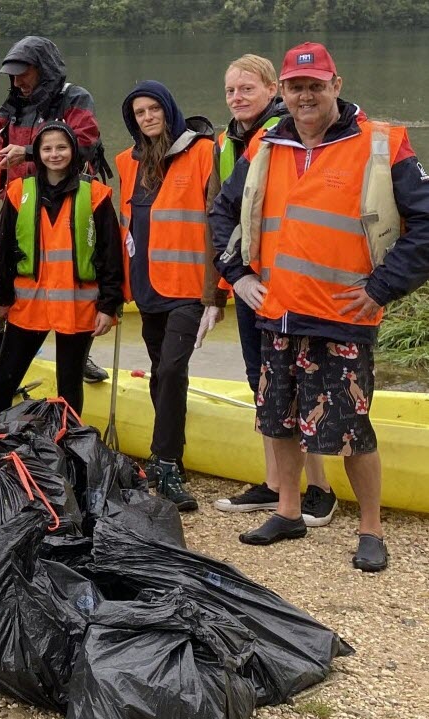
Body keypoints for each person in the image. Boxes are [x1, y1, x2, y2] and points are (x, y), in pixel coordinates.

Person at [209, 42, 429, 572]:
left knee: (353, 430)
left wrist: (381, 289)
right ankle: (287, 511)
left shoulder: (382, 143)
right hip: (278, 312)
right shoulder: (266, 143)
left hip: (344, 316)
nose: (305, 95)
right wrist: (236, 276)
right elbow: (223, 211)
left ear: (336, 84)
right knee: (278, 421)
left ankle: (371, 528)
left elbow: (424, 225)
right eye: (295, 86)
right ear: (282, 91)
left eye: (315, 85)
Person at [208, 54, 336, 525]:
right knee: (262, 383)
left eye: (247, 89)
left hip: (294, 286)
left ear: (272, 92)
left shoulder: (288, 132)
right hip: (252, 285)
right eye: (229, 91)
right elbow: (223, 214)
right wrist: (228, 282)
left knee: (301, 385)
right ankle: (276, 484)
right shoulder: (234, 141)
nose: (236, 98)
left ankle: (319, 487)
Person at [0, 36, 110, 386]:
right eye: (13, 75)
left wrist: (29, 152)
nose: (18, 81)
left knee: (79, 271)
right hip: (19, 203)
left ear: (44, 69)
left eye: (24, 73)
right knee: (1, 264)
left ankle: (79, 355)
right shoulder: (13, 105)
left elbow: (84, 143)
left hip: (70, 202)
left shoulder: (74, 98)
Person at [115, 80, 225, 512]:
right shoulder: (127, 161)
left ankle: (165, 462)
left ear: (168, 109)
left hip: (187, 287)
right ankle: (167, 453)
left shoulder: (202, 152)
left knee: (174, 368)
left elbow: (217, 220)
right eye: (139, 112)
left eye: (153, 109)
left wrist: (215, 291)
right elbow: (125, 226)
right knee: (161, 373)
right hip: (145, 287)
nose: (147, 117)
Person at [0, 122, 123, 432]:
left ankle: (70, 449)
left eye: (62, 147)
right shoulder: (20, 192)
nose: (55, 154)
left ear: (73, 151)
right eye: (47, 148)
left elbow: (111, 254)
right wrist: (1, 298)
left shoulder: (96, 194)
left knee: (70, 387)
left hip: (77, 307)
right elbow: (2, 250)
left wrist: (109, 306)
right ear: (37, 153)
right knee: (5, 379)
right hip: (27, 305)